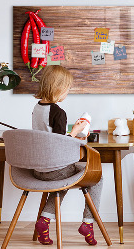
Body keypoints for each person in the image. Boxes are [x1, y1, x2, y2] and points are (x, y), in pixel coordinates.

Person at [32, 65, 102, 246]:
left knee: (62, 180)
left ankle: (44, 221)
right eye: (68, 88)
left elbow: (49, 137)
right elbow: (60, 144)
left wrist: (72, 133)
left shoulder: (37, 108)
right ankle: (88, 223)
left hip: (38, 169)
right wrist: (77, 131)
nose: (67, 92)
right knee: (97, 177)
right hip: (55, 169)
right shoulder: (58, 112)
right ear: (58, 88)